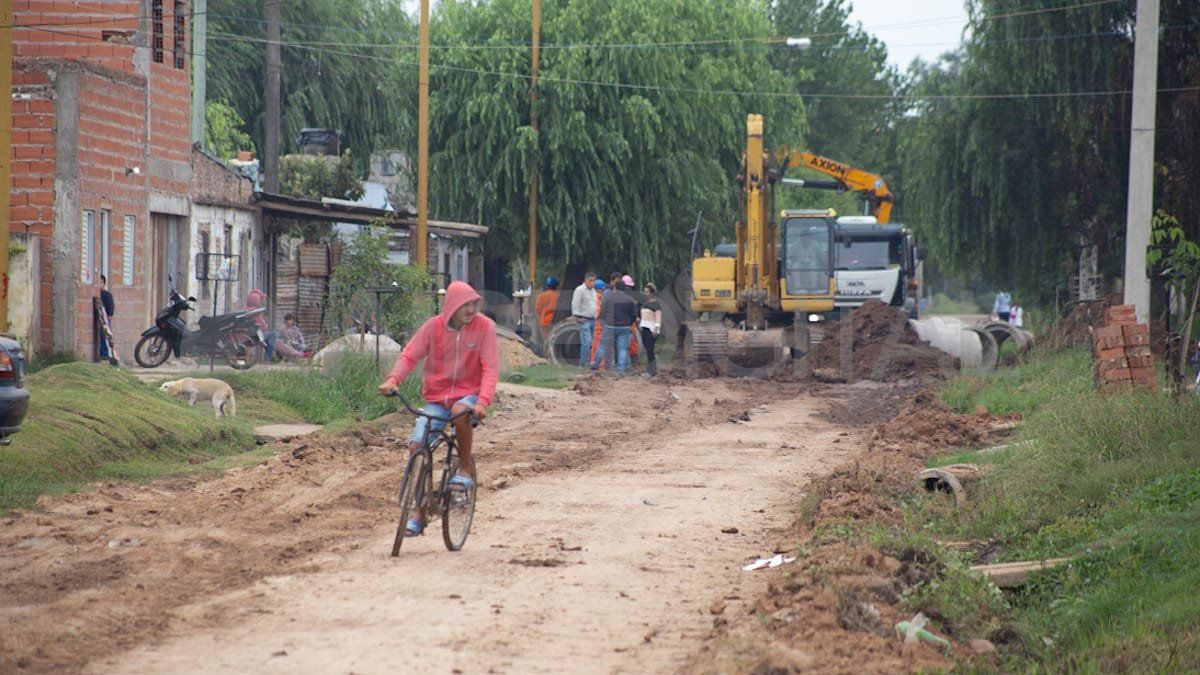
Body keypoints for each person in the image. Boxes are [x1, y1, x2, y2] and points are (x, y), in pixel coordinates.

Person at [377, 281, 498, 538]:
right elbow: (410, 355)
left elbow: (490, 368)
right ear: (452, 306)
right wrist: (393, 380)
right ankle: (418, 512)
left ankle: (464, 467)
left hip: (469, 395)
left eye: (473, 304)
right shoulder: (433, 327)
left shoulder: (485, 327)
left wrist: (483, 402)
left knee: (460, 410)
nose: (471, 310)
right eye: (465, 305)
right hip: (436, 398)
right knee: (417, 446)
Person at [593, 279, 638, 375]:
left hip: (610, 325)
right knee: (622, 349)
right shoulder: (629, 299)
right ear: (624, 288)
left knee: (602, 346)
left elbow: (603, 310)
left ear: (615, 287)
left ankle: (595, 364)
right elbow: (634, 314)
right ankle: (621, 370)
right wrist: (629, 323)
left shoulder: (608, 297)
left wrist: (605, 321)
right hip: (625, 327)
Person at [571, 272, 598, 368]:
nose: (592, 283)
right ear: (585, 280)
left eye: (594, 281)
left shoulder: (593, 291)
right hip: (584, 319)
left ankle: (590, 361)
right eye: (590, 281)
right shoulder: (580, 290)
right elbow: (575, 303)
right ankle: (584, 363)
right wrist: (577, 316)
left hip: (593, 319)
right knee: (587, 341)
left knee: (592, 342)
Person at [246, 289, 277, 361]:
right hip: (254, 337)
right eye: (261, 300)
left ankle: (267, 358)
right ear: (256, 301)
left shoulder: (246, 309)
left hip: (248, 336)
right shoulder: (256, 312)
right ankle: (267, 359)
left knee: (269, 337)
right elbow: (263, 327)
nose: (262, 302)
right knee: (273, 334)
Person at [639, 282, 662, 377]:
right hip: (644, 328)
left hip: (651, 329)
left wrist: (656, 328)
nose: (645, 293)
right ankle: (652, 368)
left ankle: (651, 370)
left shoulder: (656, 305)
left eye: (647, 292)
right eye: (644, 291)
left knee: (650, 349)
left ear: (652, 293)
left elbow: (658, 317)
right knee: (647, 349)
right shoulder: (644, 304)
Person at [96, 275, 117, 364]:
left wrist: (110, 315)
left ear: (104, 284)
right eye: (98, 283)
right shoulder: (96, 295)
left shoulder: (106, 295)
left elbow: (111, 306)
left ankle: (105, 355)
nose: (99, 285)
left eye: (101, 283)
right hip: (98, 318)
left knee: (104, 336)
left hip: (104, 319)